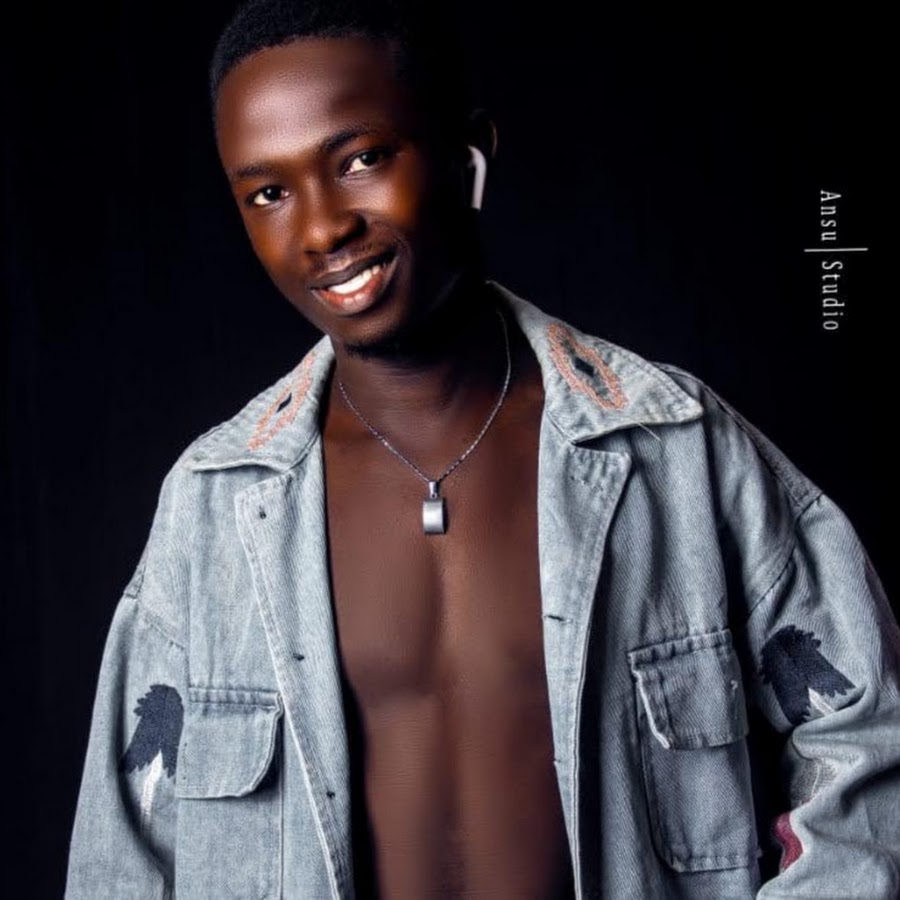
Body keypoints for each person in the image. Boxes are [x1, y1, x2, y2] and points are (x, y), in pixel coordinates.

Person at [65, 1, 900, 898]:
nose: (321, 229)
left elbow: (866, 736)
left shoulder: (674, 450)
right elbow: (125, 852)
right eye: (268, 193)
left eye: (360, 160)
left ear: (469, 157)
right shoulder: (214, 505)